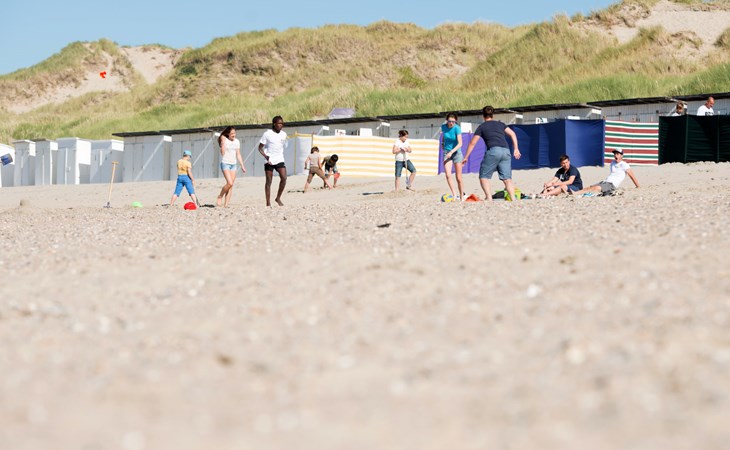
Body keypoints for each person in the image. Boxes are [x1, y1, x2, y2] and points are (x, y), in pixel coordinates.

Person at [462, 105, 521, 202]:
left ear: (483, 115)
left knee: (483, 176)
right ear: (493, 115)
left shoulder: (482, 126)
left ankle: (489, 198)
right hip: (506, 151)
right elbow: (512, 134)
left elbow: (472, 143)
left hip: (494, 150)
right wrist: (516, 149)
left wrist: (466, 157)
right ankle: (513, 199)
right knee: (507, 178)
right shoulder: (500, 124)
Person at [571, 148, 640, 196]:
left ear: (621, 155)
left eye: (617, 154)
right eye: (615, 154)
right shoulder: (612, 163)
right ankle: (574, 192)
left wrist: (638, 186)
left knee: (596, 188)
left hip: (612, 184)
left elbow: (632, 176)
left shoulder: (624, 164)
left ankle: (576, 193)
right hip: (605, 181)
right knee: (590, 187)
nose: (615, 155)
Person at [258, 116, 288, 206]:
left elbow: (284, 146)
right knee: (269, 181)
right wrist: (266, 156)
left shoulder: (284, 134)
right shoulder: (267, 134)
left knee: (284, 177)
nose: (281, 125)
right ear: (274, 124)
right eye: (279, 123)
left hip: (279, 159)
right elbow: (260, 148)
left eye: (282, 123)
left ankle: (278, 198)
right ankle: (268, 203)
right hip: (269, 160)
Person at [216, 126, 246, 208]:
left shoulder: (237, 141)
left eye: (234, 133)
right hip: (225, 163)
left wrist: (242, 165)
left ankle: (226, 205)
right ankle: (220, 196)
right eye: (232, 133)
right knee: (230, 183)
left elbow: (238, 154)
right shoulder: (225, 140)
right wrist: (223, 142)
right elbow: (222, 153)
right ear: (228, 134)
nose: (233, 135)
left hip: (233, 164)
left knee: (231, 186)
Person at [440, 112, 464, 200]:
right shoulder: (443, 127)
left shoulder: (457, 128)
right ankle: (454, 194)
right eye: (449, 121)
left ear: (455, 121)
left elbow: (460, 143)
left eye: (453, 121)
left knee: (458, 177)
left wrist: (452, 152)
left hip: (456, 152)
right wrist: (443, 143)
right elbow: (444, 136)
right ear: (447, 121)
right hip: (447, 152)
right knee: (448, 174)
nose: (451, 123)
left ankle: (461, 196)